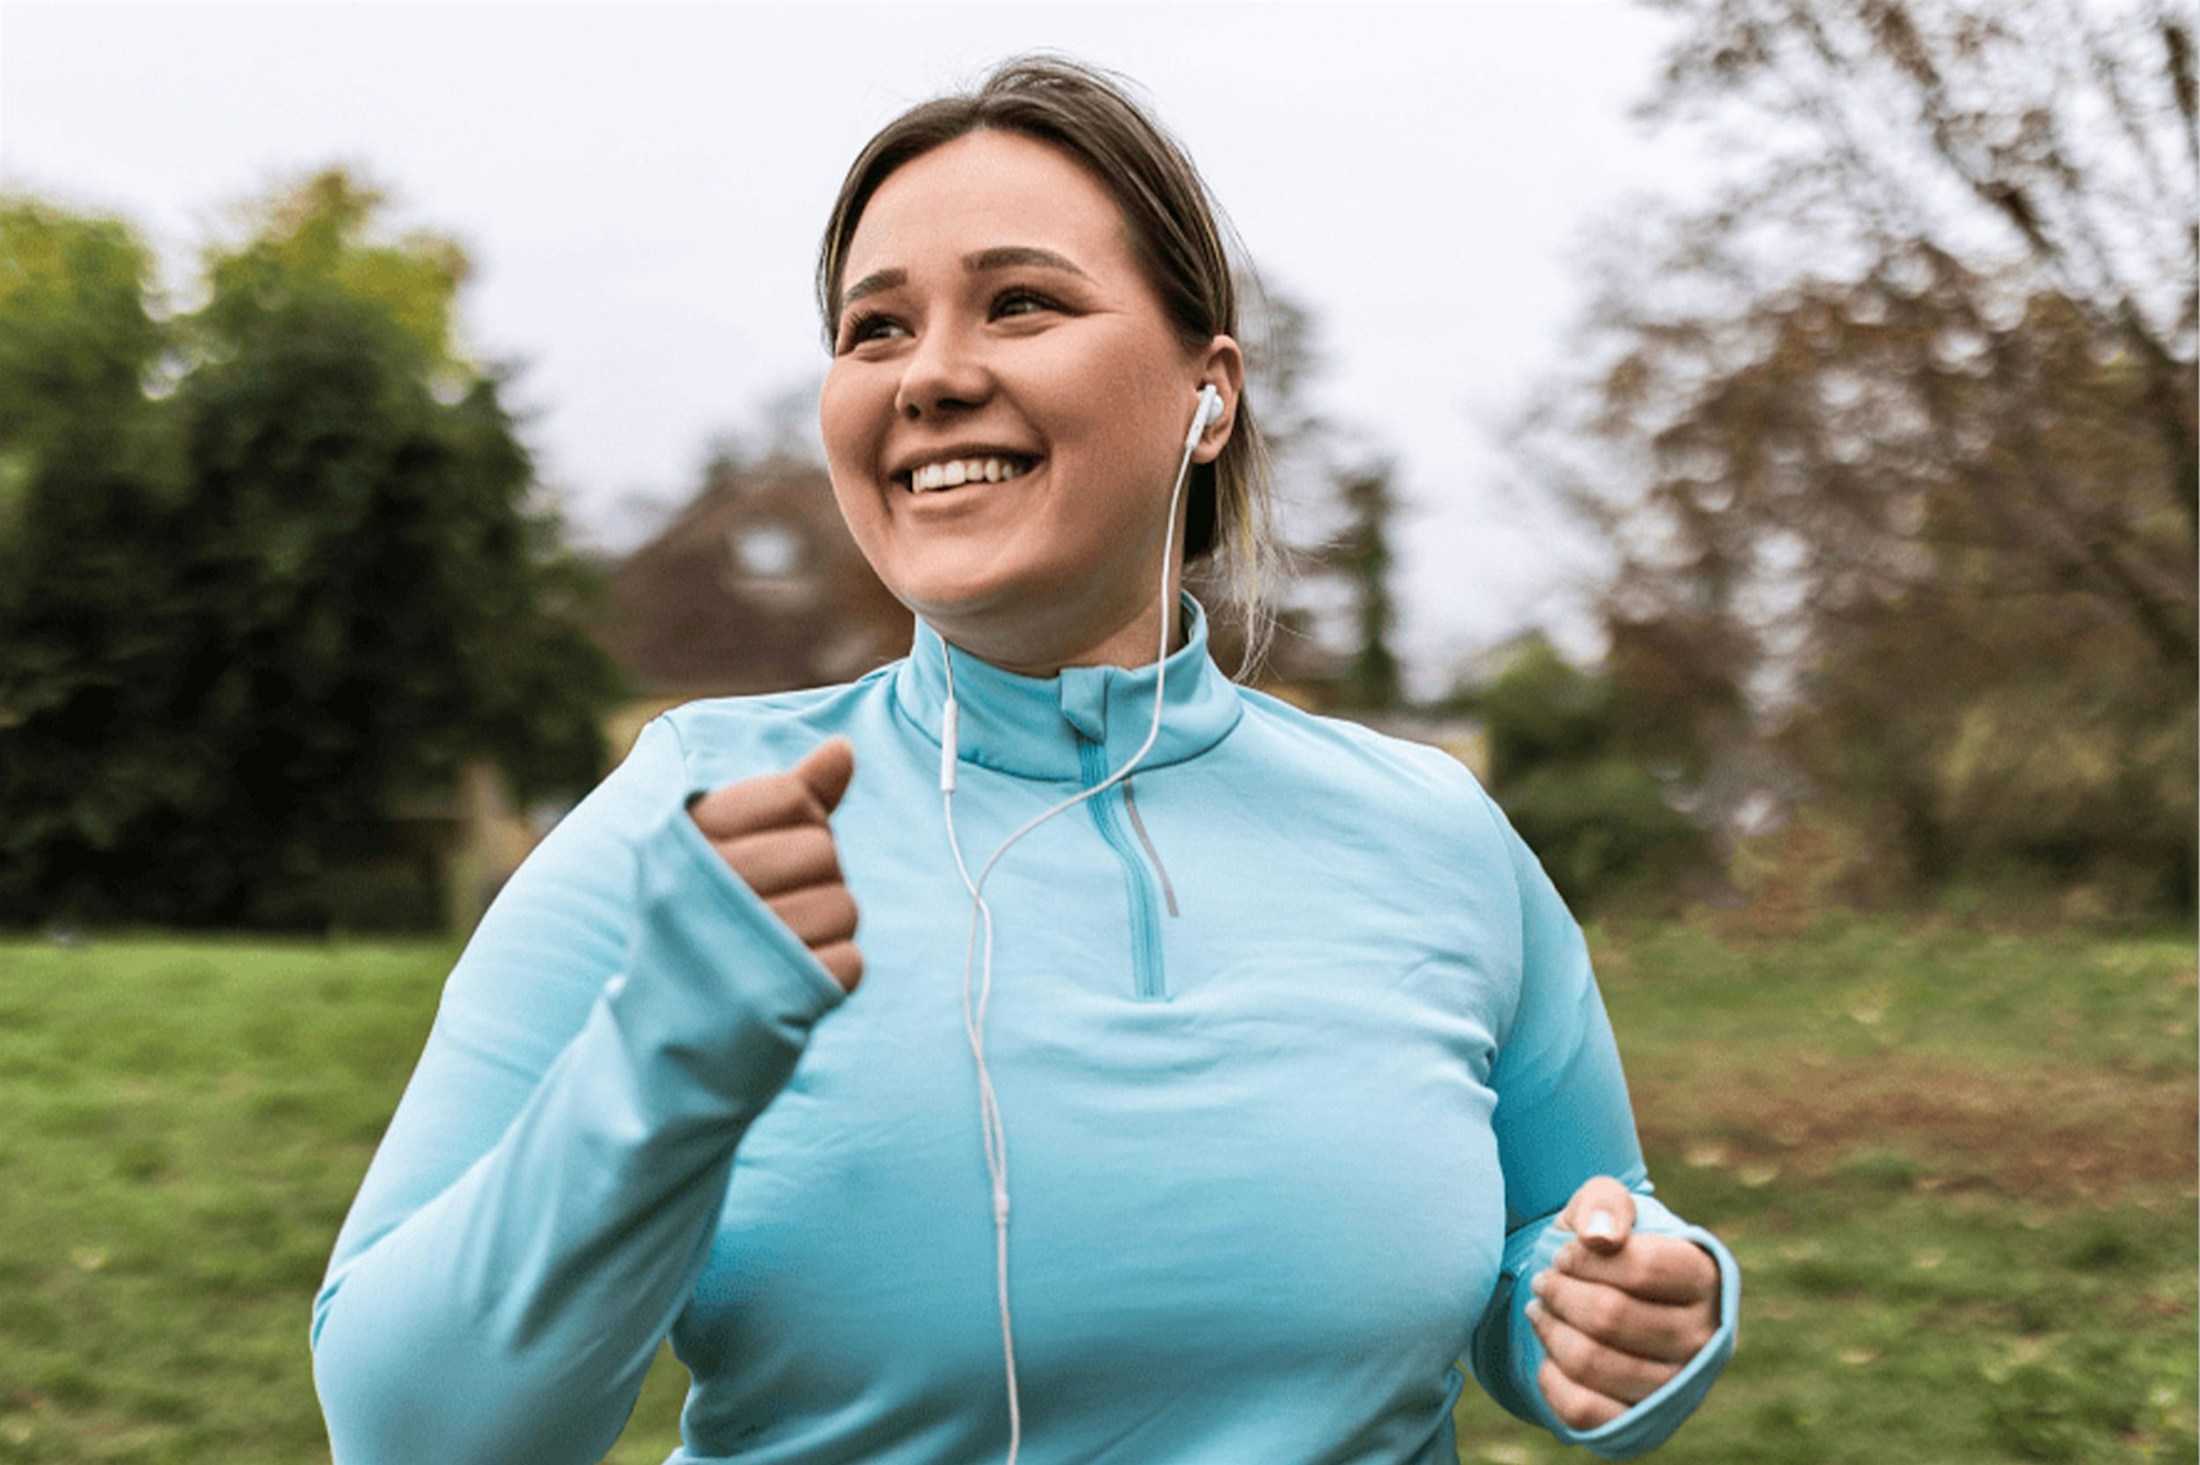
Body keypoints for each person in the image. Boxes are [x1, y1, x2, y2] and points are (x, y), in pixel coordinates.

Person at [311, 54, 1739, 1465]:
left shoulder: (1435, 834)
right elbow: (408, 1434)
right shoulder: (696, 819)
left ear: (1209, 392)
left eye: (1022, 303)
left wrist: (1619, 1304)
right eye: (875, 330)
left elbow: (1560, 1229)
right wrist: (659, 1069)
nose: (931, 373)